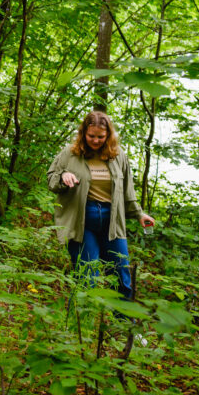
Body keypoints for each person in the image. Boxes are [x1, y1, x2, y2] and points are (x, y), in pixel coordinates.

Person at [47, 110, 155, 302]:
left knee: (121, 274)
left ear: (108, 136)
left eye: (100, 137)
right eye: (91, 136)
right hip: (82, 220)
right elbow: (51, 180)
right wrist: (63, 176)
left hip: (112, 221)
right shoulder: (70, 154)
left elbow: (127, 190)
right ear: (83, 133)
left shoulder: (118, 155)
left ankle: (123, 325)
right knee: (86, 274)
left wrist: (139, 214)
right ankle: (85, 323)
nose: (95, 141)